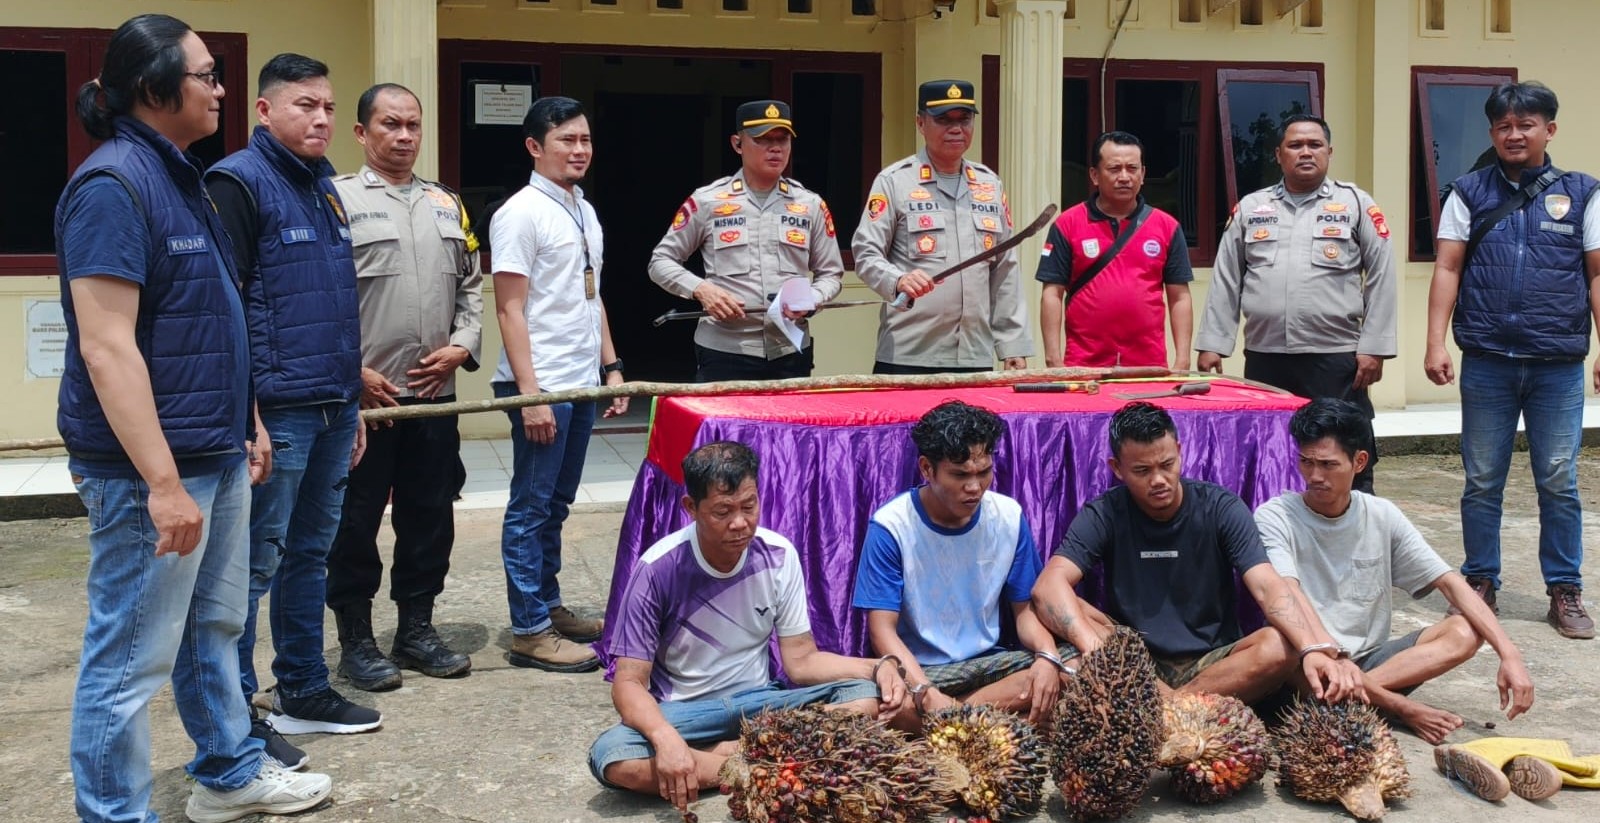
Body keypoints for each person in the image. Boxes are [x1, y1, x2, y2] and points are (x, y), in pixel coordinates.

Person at [57, 15, 332, 821]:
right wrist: (162, 482)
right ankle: (114, 812)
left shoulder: (181, 176)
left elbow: (210, 317)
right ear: (152, 88)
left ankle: (227, 771)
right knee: (129, 658)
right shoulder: (112, 187)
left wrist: (244, 419)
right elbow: (108, 348)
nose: (220, 88)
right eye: (207, 74)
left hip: (213, 450)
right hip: (152, 471)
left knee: (214, 626)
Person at [591, 441, 905, 813]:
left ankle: (724, 763)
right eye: (723, 511)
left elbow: (801, 661)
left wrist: (876, 666)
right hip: (689, 712)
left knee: (865, 697)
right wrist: (666, 738)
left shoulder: (778, 555)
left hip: (760, 704)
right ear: (691, 508)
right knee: (613, 757)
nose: (740, 523)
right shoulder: (657, 569)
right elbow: (629, 682)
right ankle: (763, 762)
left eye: (749, 506)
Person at [208, 54, 375, 743]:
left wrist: (353, 397)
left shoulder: (325, 186)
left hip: (333, 404)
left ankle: (303, 687)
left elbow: (337, 303)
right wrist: (248, 417)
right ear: (265, 110)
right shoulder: (237, 183)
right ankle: (239, 712)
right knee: (253, 564)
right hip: (277, 412)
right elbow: (224, 308)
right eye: (306, 104)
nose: (323, 118)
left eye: (330, 107)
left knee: (311, 552)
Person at [1030, 402, 1365, 705]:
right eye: (1142, 471)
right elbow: (1047, 587)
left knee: (1281, 646)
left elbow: (1266, 584)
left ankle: (1167, 709)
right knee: (1071, 619)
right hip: (1135, 658)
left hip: (1214, 660)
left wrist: (1311, 647)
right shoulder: (1104, 513)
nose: (1158, 480)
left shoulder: (1220, 506)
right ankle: (1184, 711)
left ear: (1180, 450)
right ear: (1117, 468)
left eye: (1167, 464)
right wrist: (1094, 648)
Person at [1423, 80, 1599, 640]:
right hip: (1489, 360)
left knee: (1558, 478)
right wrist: (1434, 341)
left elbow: (1596, 275)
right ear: (1492, 132)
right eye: (1503, 126)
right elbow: (1447, 268)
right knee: (1481, 479)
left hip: (1558, 363)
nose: (1514, 134)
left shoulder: (1584, 193)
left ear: (1549, 129)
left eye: (1526, 124)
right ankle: (1480, 583)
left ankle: (1564, 590)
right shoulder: (1468, 191)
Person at [325, 83, 484, 691]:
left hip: (434, 400)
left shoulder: (448, 204)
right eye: (390, 125)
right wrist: (349, 371)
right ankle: (356, 641)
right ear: (363, 133)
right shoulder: (333, 200)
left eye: (413, 125)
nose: (404, 136)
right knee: (354, 520)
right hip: (366, 402)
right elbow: (319, 297)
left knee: (429, 517)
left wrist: (464, 345)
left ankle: (416, 629)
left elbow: (471, 287)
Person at [1259, 398, 1534, 744]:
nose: (1314, 475)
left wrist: (1509, 654)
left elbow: (1450, 584)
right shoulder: (1275, 516)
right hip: (1309, 658)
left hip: (1372, 662)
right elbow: (1288, 592)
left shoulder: (1382, 514)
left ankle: (1344, 700)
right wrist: (1331, 654)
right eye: (1306, 462)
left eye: (1328, 465)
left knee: (1465, 631)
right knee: (1280, 647)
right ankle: (1388, 705)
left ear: (1359, 462)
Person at [490, 96, 629, 673]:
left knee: (557, 504)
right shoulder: (519, 212)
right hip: (541, 385)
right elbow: (508, 310)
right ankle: (529, 629)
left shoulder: (581, 209)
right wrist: (532, 396)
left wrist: (611, 367)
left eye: (585, 140)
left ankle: (547, 606)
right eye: (566, 140)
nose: (578, 150)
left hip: (578, 382)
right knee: (530, 505)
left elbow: (589, 296)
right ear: (534, 147)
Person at [1196, 114, 1396, 494]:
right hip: (1265, 357)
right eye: (1295, 145)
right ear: (1278, 154)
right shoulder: (1252, 208)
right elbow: (1226, 277)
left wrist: (1375, 347)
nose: (1306, 152)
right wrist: (1212, 344)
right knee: (1272, 452)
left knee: (1340, 451)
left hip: (1336, 359)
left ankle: (1352, 532)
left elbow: (1382, 276)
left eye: (1314, 145)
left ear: (1329, 152)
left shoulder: (1355, 203)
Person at [852, 401, 1072, 730]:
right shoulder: (891, 527)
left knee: (1076, 667)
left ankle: (957, 722)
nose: (974, 487)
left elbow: (1024, 611)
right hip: (922, 671)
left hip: (992, 664)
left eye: (983, 472)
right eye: (960, 475)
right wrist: (926, 693)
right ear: (927, 469)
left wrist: (1046, 655)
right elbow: (882, 631)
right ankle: (988, 721)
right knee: (867, 705)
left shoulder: (1008, 516)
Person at [648, 100, 844, 381]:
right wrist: (703, 290)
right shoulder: (708, 200)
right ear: (737, 144)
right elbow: (660, 262)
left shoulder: (810, 203)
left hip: (789, 349)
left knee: (787, 426)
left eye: (782, 139)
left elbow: (831, 274)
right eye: (762, 139)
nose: (775, 148)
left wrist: (813, 297)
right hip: (725, 350)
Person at [852, 79, 1033, 374]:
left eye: (964, 119)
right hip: (909, 355)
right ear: (921, 123)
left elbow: (1004, 269)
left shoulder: (988, 183)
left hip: (975, 355)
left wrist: (1012, 344)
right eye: (943, 120)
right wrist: (898, 280)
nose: (955, 128)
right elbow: (865, 253)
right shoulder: (895, 181)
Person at [1037, 130, 1193, 369]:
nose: (1124, 177)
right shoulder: (1067, 224)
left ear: (1143, 174)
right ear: (1095, 175)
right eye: (1114, 169)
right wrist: (1053, 358)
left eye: (1132, 168)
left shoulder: (1167, 226)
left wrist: (1182, 358)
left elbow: (1179, 296)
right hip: (1084, 365)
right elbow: (1052, 293)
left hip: (1148, 365)